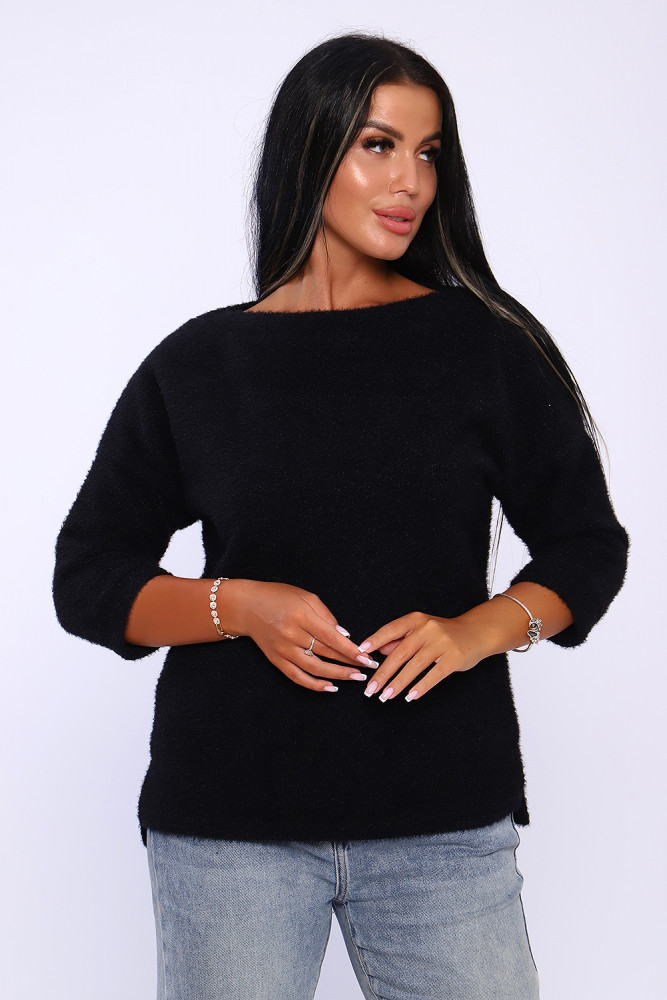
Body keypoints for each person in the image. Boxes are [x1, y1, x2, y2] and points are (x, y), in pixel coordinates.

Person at [53, 33, 628, 1000]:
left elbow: (586, 545)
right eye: (378, 145)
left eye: (429, 152)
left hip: (444, 824)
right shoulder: (199, 367)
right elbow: (88, 578)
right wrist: (238, 606)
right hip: (230, 827)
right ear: (309, 148)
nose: (411, 181)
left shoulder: (481, 348)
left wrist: (478, 630)